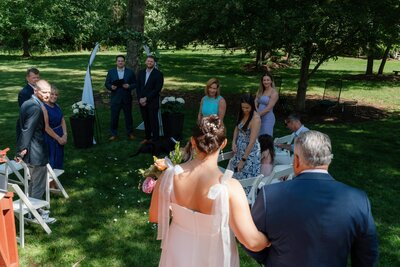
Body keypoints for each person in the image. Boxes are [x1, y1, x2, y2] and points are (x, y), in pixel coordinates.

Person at [149, 115, 270, 267]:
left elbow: (154, 216)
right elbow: (252, 241)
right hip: (214, 255)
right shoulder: (230, 187)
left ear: (193, 141)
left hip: (178, 250)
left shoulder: (169, 176)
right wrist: (268, 240)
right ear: (224, 143)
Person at [246, 130, 379, 266]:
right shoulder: (357, 199)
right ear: (329, 160)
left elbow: (249, 237)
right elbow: (367, 254)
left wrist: (270, 260)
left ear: (296, 160)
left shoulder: (270, 195)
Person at [15, 79, 56, 223]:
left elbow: (19, 126)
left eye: (49, 92)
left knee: (33, 183)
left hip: (30, 152)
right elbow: (27, 130)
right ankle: (36, 215)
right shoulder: (35, 108)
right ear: (35, 91)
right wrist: (21, 150)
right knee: (38, 185)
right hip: (36, 152)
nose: (47, 95)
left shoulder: (26, 103)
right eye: (44, 92)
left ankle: (32, 211)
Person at [228, 94, 261, 180]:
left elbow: (252, 141)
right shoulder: (242, 113)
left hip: (249, 154)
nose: (245, 110)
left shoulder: (256, 119)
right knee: (233, 178)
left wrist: (243, 160)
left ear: (252, 106)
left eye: (247, 108)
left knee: (244, 181)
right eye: (243, 107)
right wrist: (233, 142)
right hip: (239, 151)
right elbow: (237, 128)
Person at [105, 55, 137, 141]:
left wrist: (129, 86)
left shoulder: (130, 72)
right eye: (119, 61)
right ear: (116, 62)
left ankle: (130, 133)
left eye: (122, 61)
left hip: (126, 98)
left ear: (124, 62)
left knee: (128, 117)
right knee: (114, 117)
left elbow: (135, 83)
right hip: (115, 98)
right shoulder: (111, 72)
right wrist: (111, 87)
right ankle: (113, 134)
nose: (120, 62)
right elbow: (107, 83)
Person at [136, 55, 164, 143]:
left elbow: (157, 89)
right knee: (146, 120)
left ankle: (155, 139)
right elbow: (138, 87)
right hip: (142, 102)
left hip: (152, 101)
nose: (149, 63)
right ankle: (147, 137)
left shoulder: (158, 74)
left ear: (154, 63)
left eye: (151, 61)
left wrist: (146, 99)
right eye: (148, 61)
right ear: (145, 62)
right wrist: (140, 99)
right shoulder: (140, 73)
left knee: (153, 121)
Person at [42, 85, 67, 170]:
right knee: (51, 160)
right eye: (52, 94)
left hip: (60, 134)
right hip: (50, 138)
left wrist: (65, 134)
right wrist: (58, 138)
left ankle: (56, 181)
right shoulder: (44, 108)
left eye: (56, 95)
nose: (54, 96)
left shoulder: (57, 106)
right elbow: (46, 127)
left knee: (59, 158)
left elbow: (62, 120)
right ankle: (50, 182)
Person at [16, 67, 40, 140]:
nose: (36, 80)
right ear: (27, 78)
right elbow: (25, 110)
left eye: (37, 77)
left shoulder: (41, 89)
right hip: (29, 123)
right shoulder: (24, 93)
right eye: (33, 78)